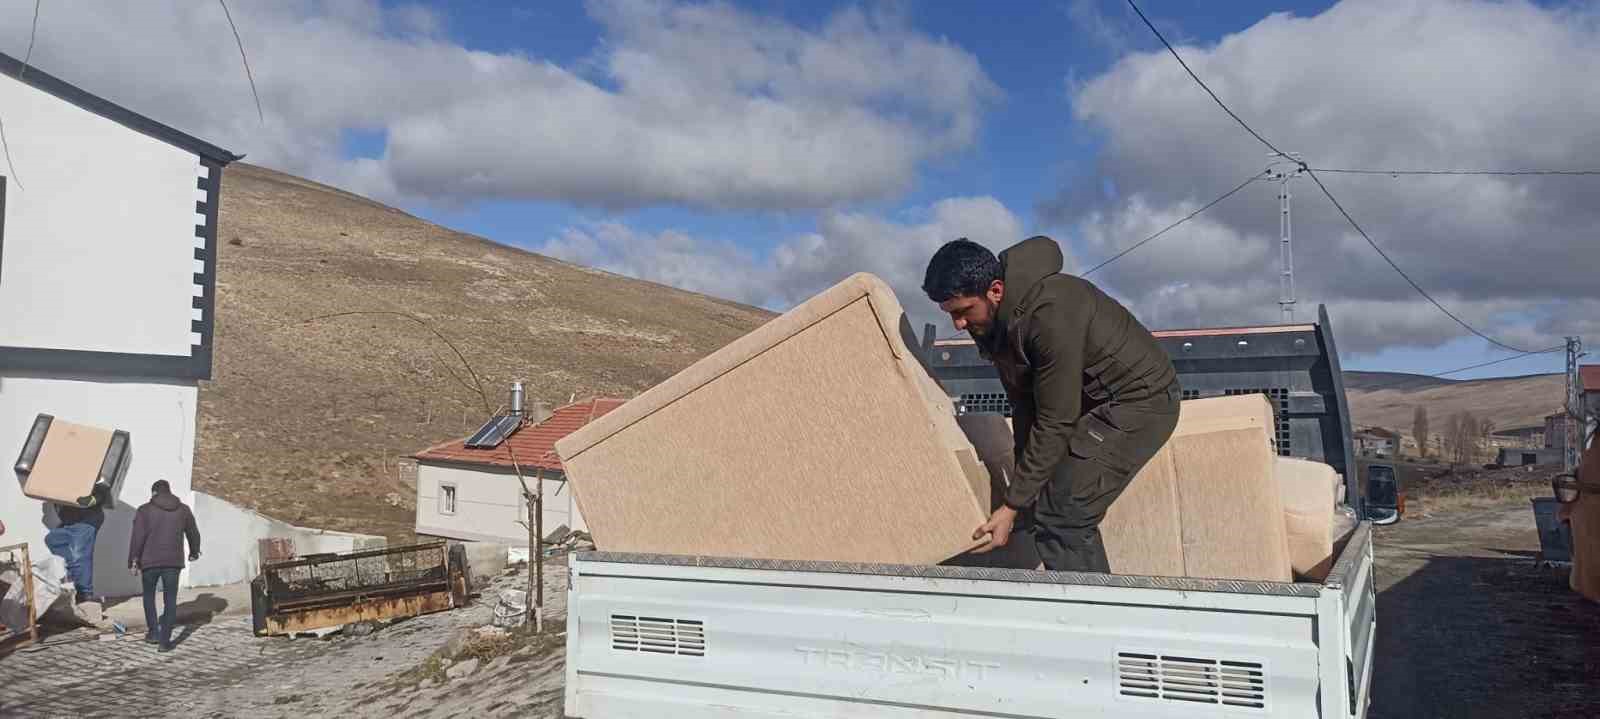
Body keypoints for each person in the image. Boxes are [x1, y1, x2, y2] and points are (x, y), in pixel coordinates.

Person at [923, 236, 1181, 573]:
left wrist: (1012, 504)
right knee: (1042, 503)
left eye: (963, 311)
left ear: (995, 290)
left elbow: (1056, 419)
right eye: (950, 315)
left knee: (1064, 515)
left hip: (1139, 401)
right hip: (1093, 404)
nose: (958, 324)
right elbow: (1025, 407)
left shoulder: (1050, 312)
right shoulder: (996, 324)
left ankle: (1091, 617)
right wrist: (1021, 496)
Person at [127, 480, 201, 651]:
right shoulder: (183, 510)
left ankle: (153, 633)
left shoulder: (145, 510)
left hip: (149, 561)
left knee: (148, 596)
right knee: (170, 600)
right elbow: (193, 532)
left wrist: (133, 560)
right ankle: (165, 641)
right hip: (173, 562)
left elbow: (137, 538)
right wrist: (194, 551)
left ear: (154, 493)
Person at [44, 483, 112, 604]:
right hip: (70, 520)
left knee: (79, 554)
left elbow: (103, 486)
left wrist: (90, 500)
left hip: (87, 517)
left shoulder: (85, 470)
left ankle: (85, 594)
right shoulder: (57, 473)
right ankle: (73, 574)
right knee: (52, 539)